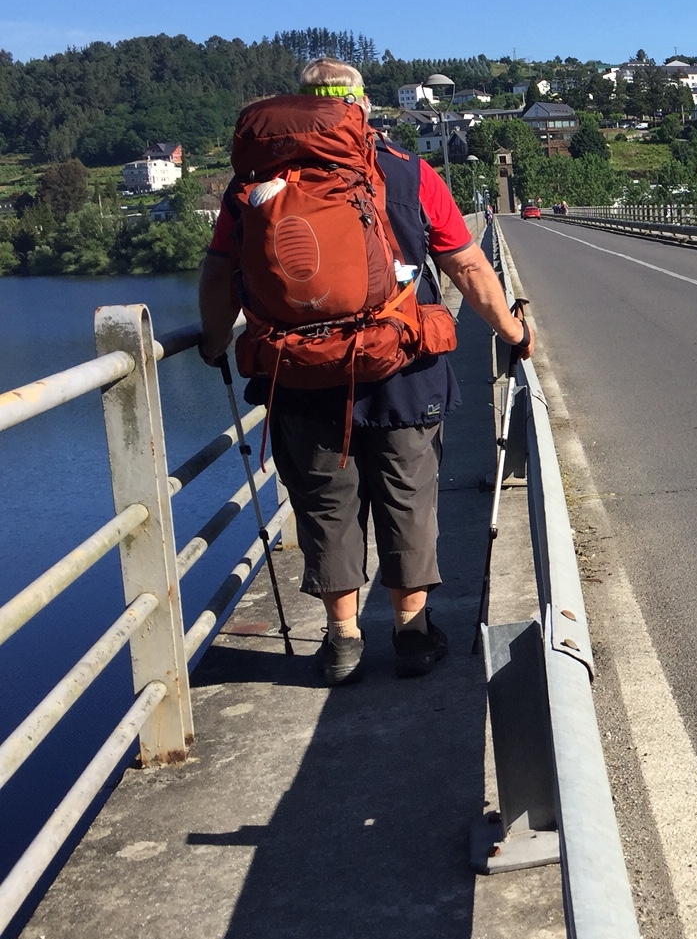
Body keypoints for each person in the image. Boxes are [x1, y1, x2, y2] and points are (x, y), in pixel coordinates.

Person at [198, 58, 531, 685]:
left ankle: (342, 642)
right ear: (361, 105)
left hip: (300, 375)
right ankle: (411, 635)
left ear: (301, 107)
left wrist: (216, 343)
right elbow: (467, 268)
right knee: (408, 498)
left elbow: (219, 274)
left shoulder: (253, 184)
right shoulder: (408, 171)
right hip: (400, 367)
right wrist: (514, 333)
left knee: (326, 505)